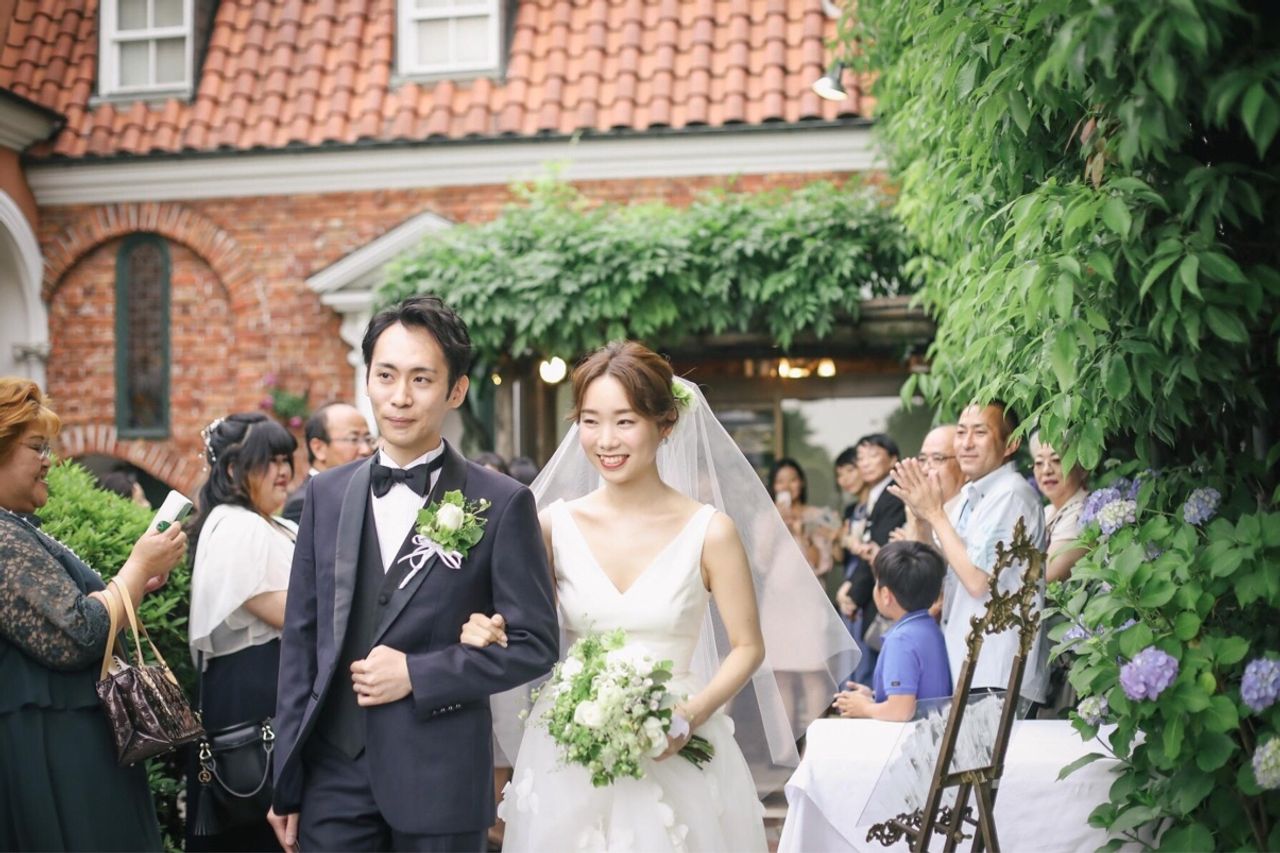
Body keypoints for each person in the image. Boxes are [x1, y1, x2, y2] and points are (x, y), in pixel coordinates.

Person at [461, 341, 858, 851]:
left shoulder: (710, 532)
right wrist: (490, 627)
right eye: (590, 421)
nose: (606, 440)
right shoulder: (552, 527)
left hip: (680, 737)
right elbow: (523, 626)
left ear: (665, 423)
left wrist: (690, 715)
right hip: (572, 742)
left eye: (625, 421)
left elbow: (748, 647)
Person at [268, 296, 559, 853]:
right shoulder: (325, 495)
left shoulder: (501, 502)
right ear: (368, 380)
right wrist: (288, 778)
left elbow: (535, 644)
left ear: (456, 390)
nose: (400, 397)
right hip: (333, 780)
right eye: (386, 376)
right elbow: (301, 642)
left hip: (441, 780)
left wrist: (419, 673)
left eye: (421, 379)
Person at [0, 377, 187, 851]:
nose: (49, 460)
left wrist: (136, 585)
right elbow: (76, 634)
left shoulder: (17, 528)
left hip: (69, 740)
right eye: (36, 447)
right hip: (50, 751)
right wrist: (136, 568)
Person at [185, 411, 299, 851]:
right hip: (252, 697)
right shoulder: (235, 525)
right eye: (268, 460)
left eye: (285, 458)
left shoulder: (268, 522)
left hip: (269, 688)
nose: (282, 470)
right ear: (233, 468)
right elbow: (289, 613)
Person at [889, 402, 1048, 708]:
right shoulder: (971, 496)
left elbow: (977, 581)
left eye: (980, 432)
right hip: (968, 665)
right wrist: (921, 519)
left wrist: (934, 513)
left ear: (1011, 443)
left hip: (998, 669)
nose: (966, 443)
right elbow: (941, 573)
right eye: (961, 433)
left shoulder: (1011, 494)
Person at [832, 541, 952, 721]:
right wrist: (874, 697)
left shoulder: (900, 640)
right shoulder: (930, 627)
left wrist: (865, 708)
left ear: (886, 595)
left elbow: (900, 711)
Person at [836, 434, 906, 684]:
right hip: (867, 591)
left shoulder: (893, 494)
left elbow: (879, 550)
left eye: (873, 455)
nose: (865, 463)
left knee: (872, 673)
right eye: (861, 458)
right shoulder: (875, 496)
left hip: (881, 593)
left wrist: (853, 593)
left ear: (893, 459)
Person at [282, 403, 375, 523]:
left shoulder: (366, 493)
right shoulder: (304, 503)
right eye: (354, 439)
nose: (366, 450)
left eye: (368, 439)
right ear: (318, 448)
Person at [1029, 432, 1088, 584]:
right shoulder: (1047, 511)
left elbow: (1045, 576)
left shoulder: (1083, 512)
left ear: (1082, 468)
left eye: (1057, 460)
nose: (1046, 470)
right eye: (1039, 463)